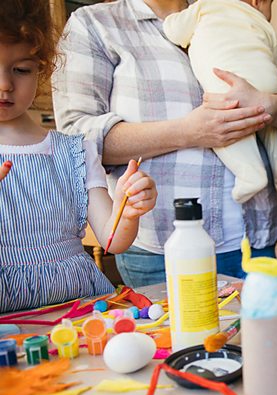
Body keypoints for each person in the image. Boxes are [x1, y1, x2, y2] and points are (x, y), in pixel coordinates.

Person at [52, 0, 277, 287]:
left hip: (256, 237)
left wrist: (267, 105)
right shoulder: (97, 24)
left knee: (264, 331)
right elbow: (75, 139)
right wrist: (188, 132)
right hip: (161, 248)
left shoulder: (224, 8)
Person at [0, 0, 158, 313]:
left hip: (82, 306)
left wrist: (127, 208)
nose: (5, 85)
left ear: (42, 70)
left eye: (21, 70)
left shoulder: (74, 149)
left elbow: (111, 240)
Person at [163, 0, 277, 204]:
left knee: (229, 126)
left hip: (228, 86)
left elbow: (175, 33)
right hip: (269, 82)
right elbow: (275, 59)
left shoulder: (204, 7)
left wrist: (171, 21)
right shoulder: (262, 23)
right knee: (269, 127)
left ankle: (250, 174)